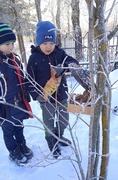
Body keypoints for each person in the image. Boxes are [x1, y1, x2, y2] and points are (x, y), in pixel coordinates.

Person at [27, 21, 80, 158]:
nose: (48, 47)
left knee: (64, 120)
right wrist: (37, 96)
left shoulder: (60, 53)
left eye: (51, 43)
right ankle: (51, 141)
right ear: (39, 43)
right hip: (45, 98)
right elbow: (29, 80)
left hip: (61, 94)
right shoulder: (34, 58)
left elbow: (73, 62)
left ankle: (59, 136)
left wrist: (64, 67)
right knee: (49, 122)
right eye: (45, 44)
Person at [0, 23, 34, 165]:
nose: (11, 47)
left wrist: (26, 93)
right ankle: (13, 151)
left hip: (18, 102)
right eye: (7, 44)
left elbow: (21, 79)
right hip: (4, 106)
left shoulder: (15, 59)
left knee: (19, 126)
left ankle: (21, 145)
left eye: (12, 43)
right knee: (8, 131)